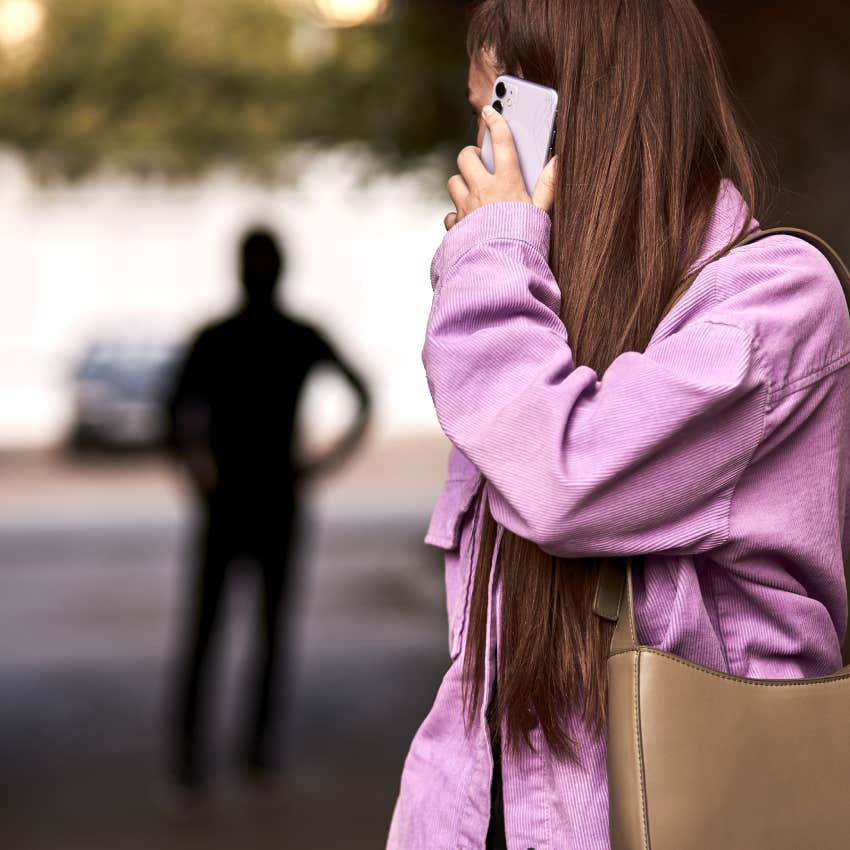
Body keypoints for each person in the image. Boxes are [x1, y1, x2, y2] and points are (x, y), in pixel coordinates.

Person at [386, 2, 850, 849]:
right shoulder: (543, 322)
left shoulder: (776, 300)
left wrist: (494, 253)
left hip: (698, 807)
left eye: (495, 112)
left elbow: (567, 475)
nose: (478, 151)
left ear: (572, 111)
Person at [167, 226, 372, 789]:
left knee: (207, 631)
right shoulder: (297, 337)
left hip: (229, 500)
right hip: (278, 497)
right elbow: (363, 396)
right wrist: (321, 465)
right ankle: (255, 755)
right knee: (268, 632)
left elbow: (173, 413)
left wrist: (198, 472)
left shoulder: (216, 338)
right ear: (283, 270)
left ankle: (193, 763)